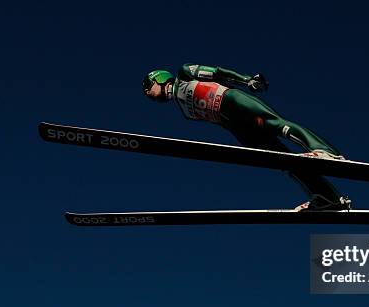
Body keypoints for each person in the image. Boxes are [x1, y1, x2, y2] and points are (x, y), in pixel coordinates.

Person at [142, 64, 351, 211]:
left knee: (276, 124)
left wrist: (246, 80)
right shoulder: (184, 111)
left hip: (231, 100)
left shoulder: (185, 73)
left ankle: (327, 153)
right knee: (282, 160)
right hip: (233, 124)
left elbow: (218, 73)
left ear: (158, 78)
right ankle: (326, 197)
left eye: (147, 86)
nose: (147, 93)